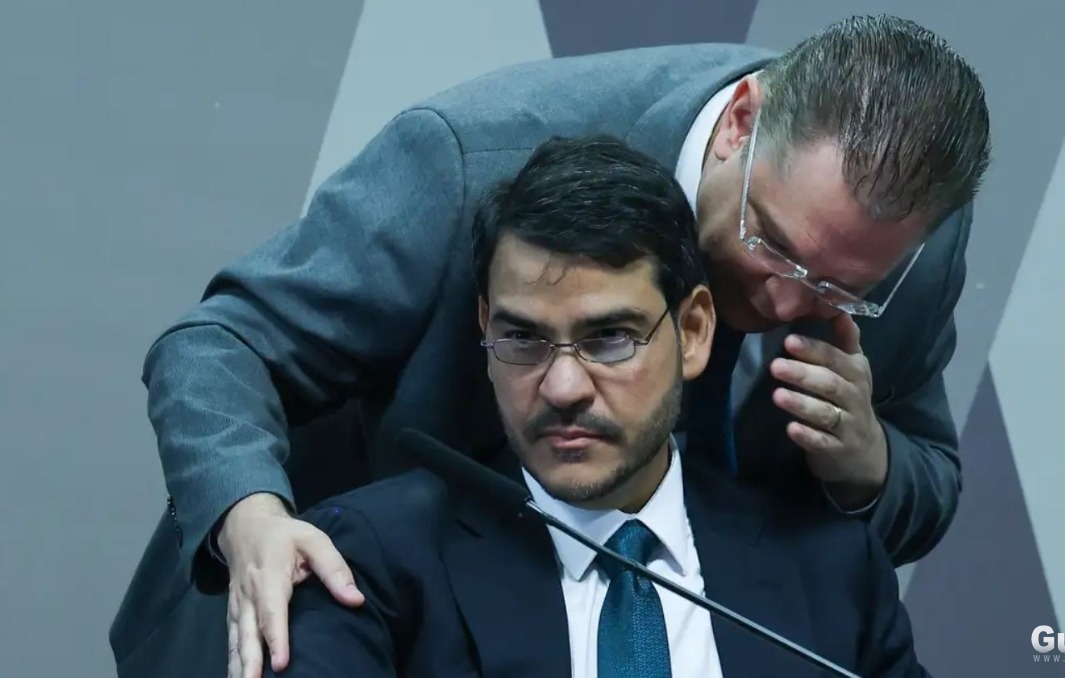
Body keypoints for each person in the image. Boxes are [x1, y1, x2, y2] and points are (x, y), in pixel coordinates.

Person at [109, 14, 989, 678]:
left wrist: (868, 468)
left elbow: (927, 478)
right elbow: (220, 345)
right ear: (739, 125)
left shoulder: (902, 250)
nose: (788, 302)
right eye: (774, 245)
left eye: (837, 287)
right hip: (341, 612)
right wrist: (252, 520)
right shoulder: (469, 161)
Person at [262, 135, 929, 678]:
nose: (562, 388)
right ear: (486, 330)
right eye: (523, 339)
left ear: (693, 332)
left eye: (609, 338)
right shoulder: (372, 558)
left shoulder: (831, 571)